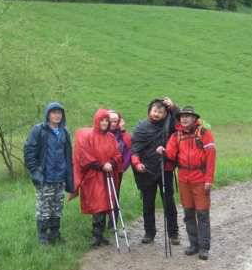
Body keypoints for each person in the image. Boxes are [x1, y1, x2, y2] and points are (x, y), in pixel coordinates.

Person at [163, 106, 216, 260]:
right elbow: (171, 155)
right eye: (182, 117)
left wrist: (209, 179)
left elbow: (211, 158)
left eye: (188, 116)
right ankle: (194, 245)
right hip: (184, 178)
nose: (184, 119)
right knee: (188, 213)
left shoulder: (204, 133)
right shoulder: (176, 136)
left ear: (194, 119)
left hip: (200, 178)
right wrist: (163, 151)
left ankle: (204, 248)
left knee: (202, 213)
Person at [131, 97, 180, 245]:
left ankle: (173, 234)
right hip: (146, 171)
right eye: (154, 111)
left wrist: (174, 107)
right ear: (149, 111)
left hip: (165, 169)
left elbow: (181, 123)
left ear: (166, 114)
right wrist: (137, 164)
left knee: (169, 202)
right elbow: (134, 150)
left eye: (161, 111)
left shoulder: (170, 125)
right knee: (148, 202)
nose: (157, 114)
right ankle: (149, 232)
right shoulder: (141, 128)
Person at [24, 102, 74, 245]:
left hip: (60, 177)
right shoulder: (38, 130)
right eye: (54, 112)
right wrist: (35, 172)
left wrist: (68, 176)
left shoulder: (64, 132)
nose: (57, 115)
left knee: (57, 208)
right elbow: (29, 152)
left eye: (59, 113)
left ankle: (55, 234)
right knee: (44, 208)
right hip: (45, 177)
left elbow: (68, 155)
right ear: (48, 114)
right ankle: (43, 237)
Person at [74, 109, 122, 247]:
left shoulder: (111, 138)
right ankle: (96, 235)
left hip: (108, 175)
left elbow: (117, 154)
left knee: (106, 204)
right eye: (102, 120)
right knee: (98, 205)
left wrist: (111, 163)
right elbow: (84, 156)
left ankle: (100, 235)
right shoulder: (89, 136)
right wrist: (101, 165)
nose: (105, 123)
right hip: (94, 176)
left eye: (107, 120)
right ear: (97, 121)